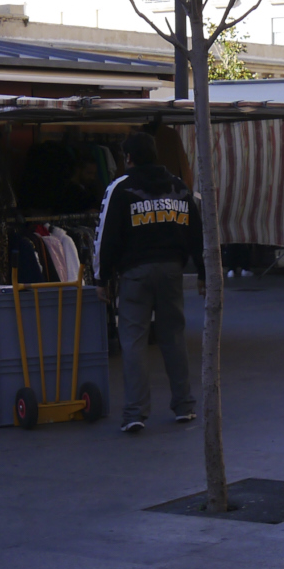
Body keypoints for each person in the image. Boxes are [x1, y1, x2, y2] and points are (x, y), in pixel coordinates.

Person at [95, 132, 203, 432]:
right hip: (171, 270)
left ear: (129, 158)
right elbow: (197, 232)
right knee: (173, 337)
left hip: (135, 273)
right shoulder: (179, 187)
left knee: (133, 341)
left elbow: (106, 235)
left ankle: (135, 413)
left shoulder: (121, 188)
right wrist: (204, 272)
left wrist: (102, 278)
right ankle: (184, 406)